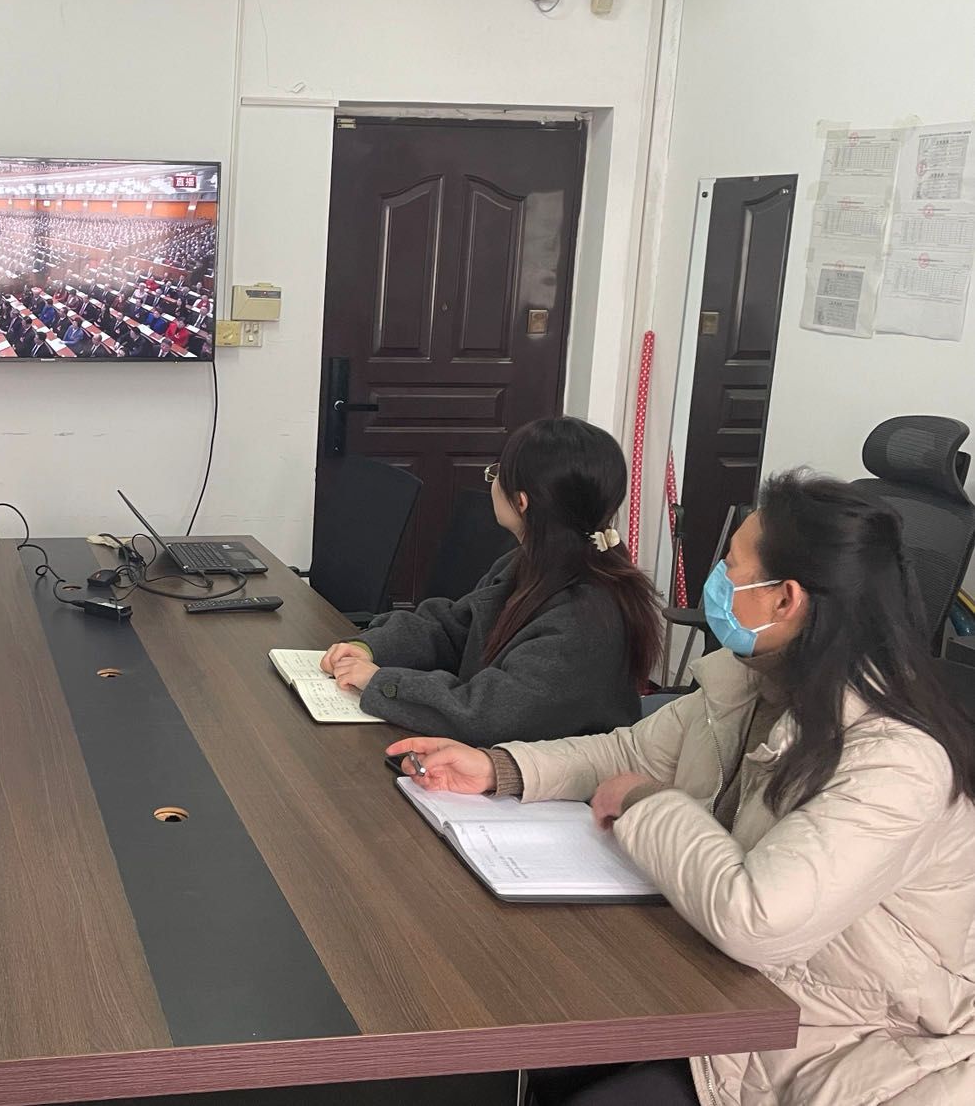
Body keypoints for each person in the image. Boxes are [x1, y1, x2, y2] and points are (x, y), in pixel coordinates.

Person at [392, 470, 975, 1106]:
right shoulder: (756, 680)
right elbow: (628, 752)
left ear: (785, 600)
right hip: (714, 982)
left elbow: (756, 918)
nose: (716, 580)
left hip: (838, 1045)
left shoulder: (897, 763)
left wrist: (645, 804)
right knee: (519, 1044)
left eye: (732, 566)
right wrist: (498, 768)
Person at [322, 417, 657, 743]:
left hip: (557, 778)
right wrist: (370, 647)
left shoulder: (583, 617)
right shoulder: (529, 563)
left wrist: (382, 682)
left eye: (497, 473)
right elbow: (454, 629)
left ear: (521, 502)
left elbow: (488, 715)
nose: (492, 481)